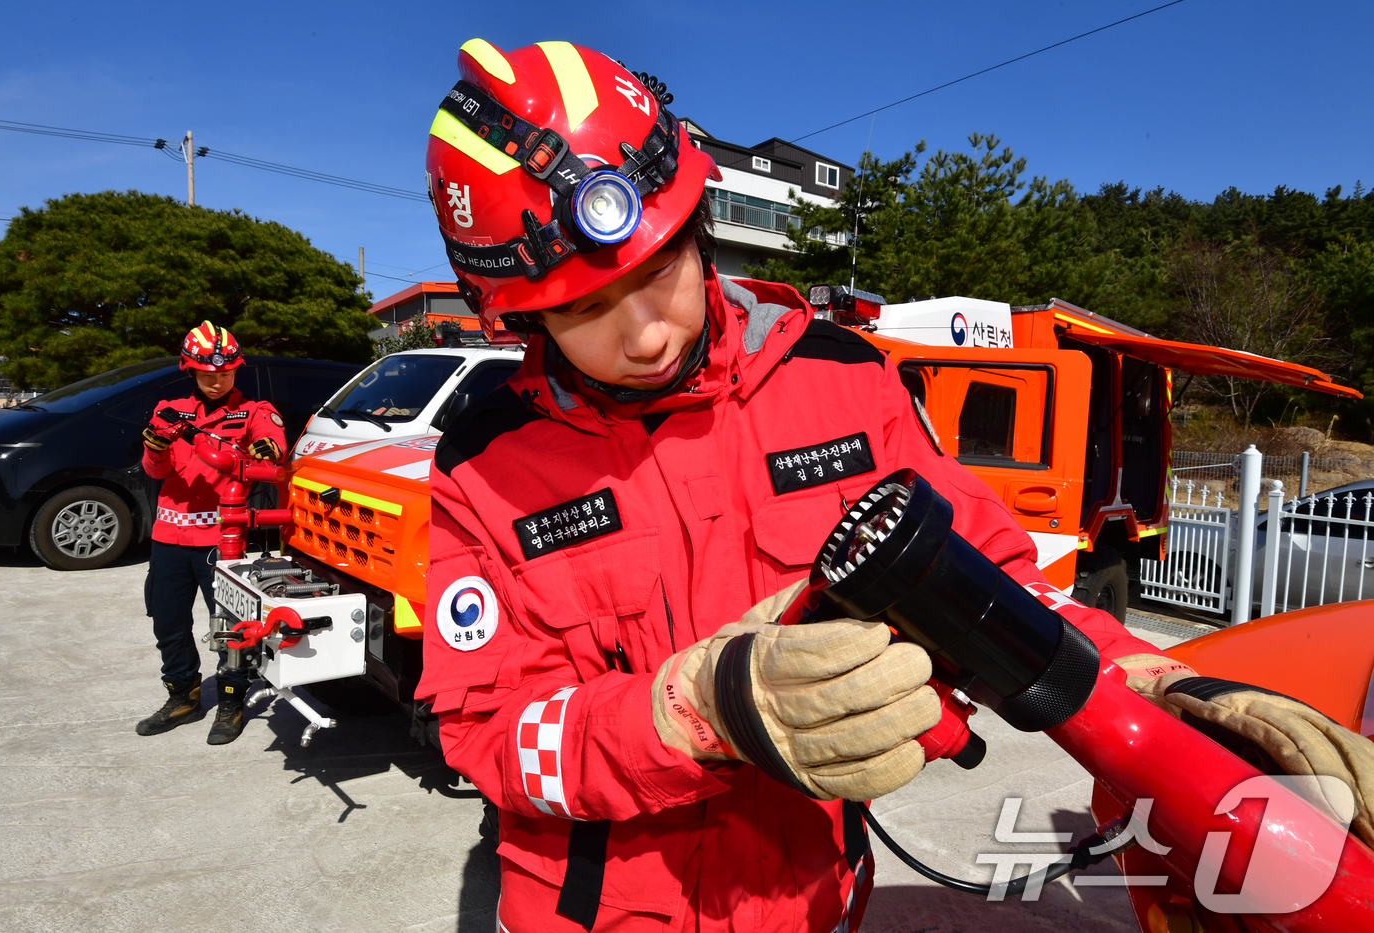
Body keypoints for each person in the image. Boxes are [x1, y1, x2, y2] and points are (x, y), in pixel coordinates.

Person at [417, 40, 1374, 933]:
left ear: (698, 223)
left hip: (815, 902)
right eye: (585, 307)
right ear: (520, 314)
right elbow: (489, 738)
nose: (647, 335)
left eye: (660, 269)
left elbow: (994, 580)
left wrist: (1157, 686)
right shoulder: (482, 464)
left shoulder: (843, 382)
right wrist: (696, 708)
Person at [135, 321, 286, 745]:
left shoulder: (254, 411)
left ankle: (231, 702)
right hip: (168, 537)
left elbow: (273, 442)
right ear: (190, 370)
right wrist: (154, 448)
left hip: (222, 540)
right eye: (206, 374)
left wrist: (267, 449)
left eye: (225, 372)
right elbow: (155, 471)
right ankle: (182, 697)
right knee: (167, 622)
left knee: (230, 626)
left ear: (236, 369)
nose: (216, 381)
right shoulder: (169, 409)